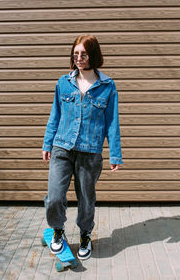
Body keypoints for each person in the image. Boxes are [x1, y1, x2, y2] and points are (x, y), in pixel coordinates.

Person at [42, 35, 123, 260]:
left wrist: (115, 153)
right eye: (76, 53)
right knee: (55, 196)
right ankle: (58, 230)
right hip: (62, 148)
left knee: (86, 198)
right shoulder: (63, 83)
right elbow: (55, 115)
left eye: (84, 54)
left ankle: (85, 234)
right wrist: (47, 143)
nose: (79, 58)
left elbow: (112, 122)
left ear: (93, 55)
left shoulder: (107, 86)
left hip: (90, 152)